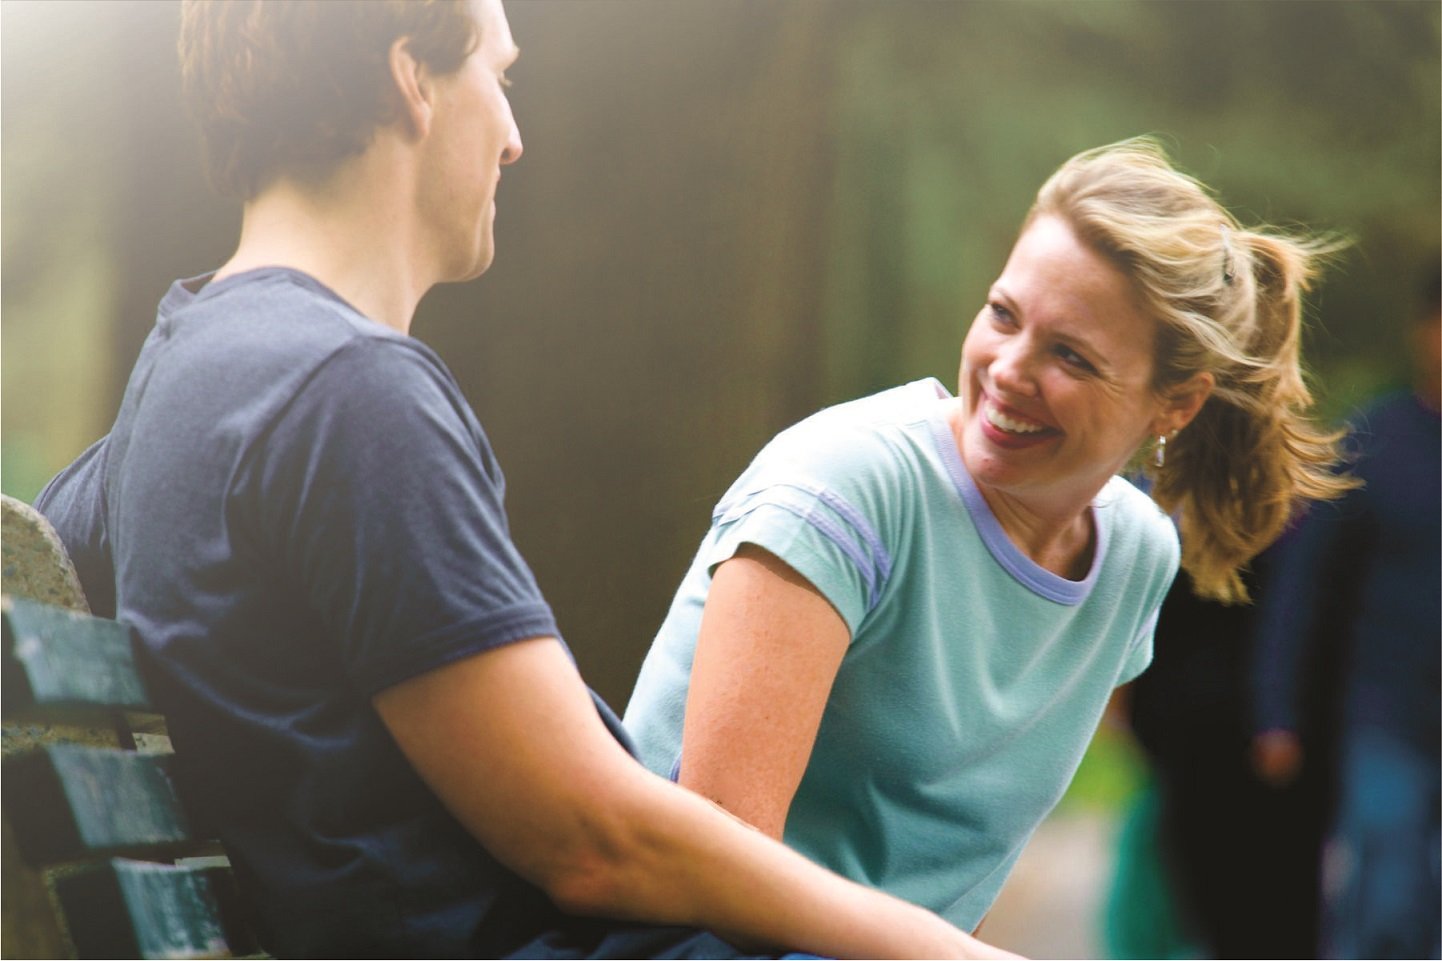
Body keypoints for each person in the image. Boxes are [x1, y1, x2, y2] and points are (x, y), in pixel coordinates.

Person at [32, 1, 1014, 957]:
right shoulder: (345, 392)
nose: (511, 139)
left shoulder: (190, 369)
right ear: (410, 76)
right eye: (498, 78)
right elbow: (594, 842)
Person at [624, 138, 1354, 931]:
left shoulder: (1136, 556)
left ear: (1174, 404)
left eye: (1069, 354)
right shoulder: (843, 485)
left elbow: (949, 866)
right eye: (1003, 314)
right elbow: (709, 865)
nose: (1008, 368)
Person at [1250, 267, 1441, 959]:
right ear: (1425, 331)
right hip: (1386, 716)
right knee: (1385, 898)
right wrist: (1277, 707)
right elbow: (1304, 585)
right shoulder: (1375, 440)